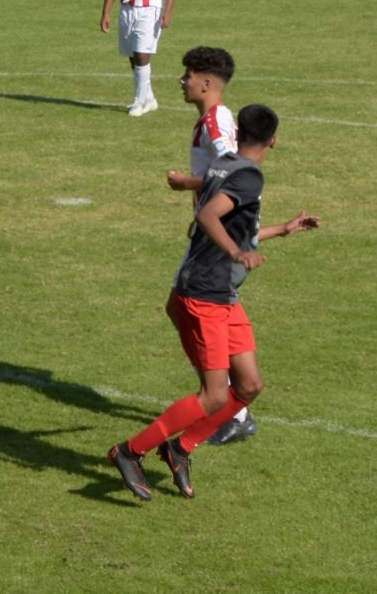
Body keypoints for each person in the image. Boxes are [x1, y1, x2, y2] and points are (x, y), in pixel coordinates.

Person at [108, 105, 319, 501]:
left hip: (222, 293)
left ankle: (179, 448)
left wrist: (283, 229)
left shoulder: (224, 165)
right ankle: (130, 451)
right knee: (215, 395)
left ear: (238, 132)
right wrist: (236, 254)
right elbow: (208, 216)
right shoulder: (250, 177)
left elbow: (228, 223)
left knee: (250, 385)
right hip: (205, 294)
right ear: (274, 140)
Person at [163, 46, 255, 445]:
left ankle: (229, 407)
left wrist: (186, 184)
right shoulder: (213, 118)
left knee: (199, 311)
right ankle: (227, 401)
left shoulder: (216, 120)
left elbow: (231, 173)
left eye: (187, 75)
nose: (181, 81)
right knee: (189, 310)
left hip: (216, 239)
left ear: (205, 82)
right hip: (212, 232)